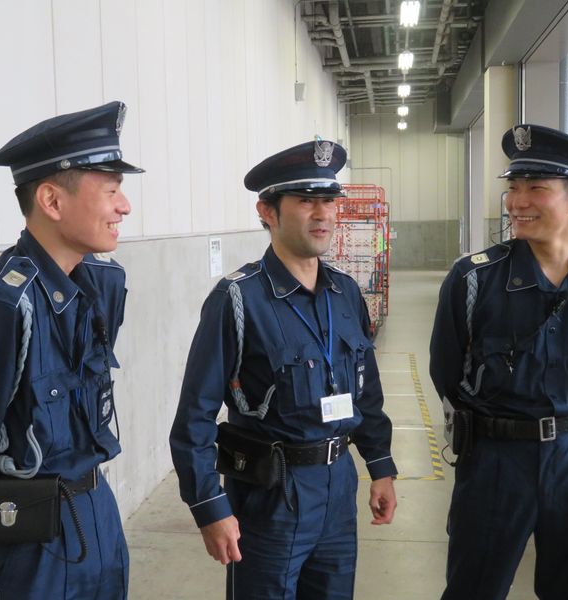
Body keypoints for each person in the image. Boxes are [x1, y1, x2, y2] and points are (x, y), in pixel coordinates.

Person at [0, 101, 144, 599]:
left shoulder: (102, 285)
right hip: (27, 542)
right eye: (111, 190)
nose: (125, 206)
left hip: (98, 514)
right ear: (51, 200)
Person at [169, 139, 398, 599]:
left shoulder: (345, 294)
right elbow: (195, 416)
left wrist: (380, 466)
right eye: (306, 201)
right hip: (270, 494)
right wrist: (209, 505)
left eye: (329, 200)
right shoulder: (238, 299)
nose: (323, 213)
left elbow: (366, 392)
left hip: (338, 488)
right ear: (267, 211)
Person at [429, 124, 568, 599]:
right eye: (513, 188)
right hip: (495, 457)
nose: (517, 202)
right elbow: (446, 371)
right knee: (473, 588)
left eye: (536, 189)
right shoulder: (474, 279)